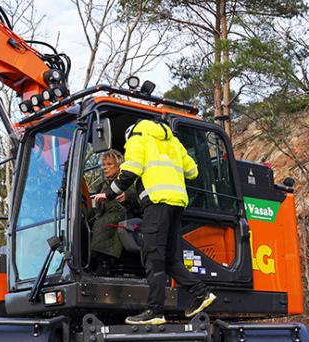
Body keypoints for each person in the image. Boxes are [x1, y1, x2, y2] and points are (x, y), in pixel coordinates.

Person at [102, 120, 216, 325]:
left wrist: (110, 193)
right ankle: (202, 292)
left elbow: (130, 171)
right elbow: (193, 172)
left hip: (157, 203)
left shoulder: (138, 138)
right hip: (177, 204)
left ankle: (156, 310)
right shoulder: (174, 142)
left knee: (152, 256)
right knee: (170, 259)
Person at [88, 150, 140, 273]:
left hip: (122, 220)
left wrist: (126, 196)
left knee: (103, 224)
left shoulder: (126, 182)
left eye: (109, 164)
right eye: (104, 165)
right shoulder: (101, 186)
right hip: (103, 220)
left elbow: (133, 195)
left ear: (119, 166)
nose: (105, 168)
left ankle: (105, 264)